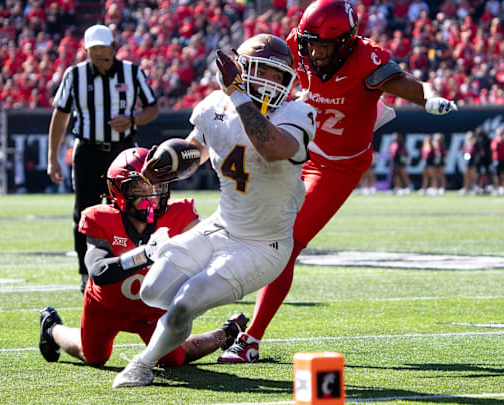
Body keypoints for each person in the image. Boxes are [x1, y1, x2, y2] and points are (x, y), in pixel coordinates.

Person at [219, 0, 456, 363]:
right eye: (310, 43)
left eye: (323, 45)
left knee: (288, 244)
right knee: (246, 228)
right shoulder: (298, 43)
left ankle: (251, 338)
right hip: (298, 148)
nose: (314, 51)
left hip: (338, 167)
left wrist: (430, 97)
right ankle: (223, 318)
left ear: (346, 42)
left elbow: (405, 83)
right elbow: (271, 74)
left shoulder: (366, 58)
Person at [111, 33, 316, 387]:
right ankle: (183, 313)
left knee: (186, 303)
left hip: (264, 245)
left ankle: (143, 364)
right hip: (221, 226)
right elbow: (195, 153)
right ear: (242, 69)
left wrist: (238, 94)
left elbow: (271, 148)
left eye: (278, 75)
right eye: (263, 71)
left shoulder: (298, 112)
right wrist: (170, 165)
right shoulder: (213, 107)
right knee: (152, 292)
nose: (271, 81)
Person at [38, 147, 249, 367]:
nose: (152, 195)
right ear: (118, 190)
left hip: (151, 310)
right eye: (140, 187)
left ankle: (227, 332)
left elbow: (209, 251)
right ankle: (52, 328)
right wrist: (145, 254)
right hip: (105, 307)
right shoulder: (100, 218)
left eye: (157, 185)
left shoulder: (179, 215)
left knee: (173, 359)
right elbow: (98, 271)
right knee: (94, 356)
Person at [47, 24, 159, 293]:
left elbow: (152, 108)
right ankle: (86, 273)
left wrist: (132, 119)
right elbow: (60, 115)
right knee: (84, 213)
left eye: (102, 49)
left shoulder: (132, 73)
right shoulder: (75, 75)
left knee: (132, 209)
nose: (98, 54)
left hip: (123, 152)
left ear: (113, 47)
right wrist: (53, 156)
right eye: (93, 50)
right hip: (87, 150)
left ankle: (137, 266)